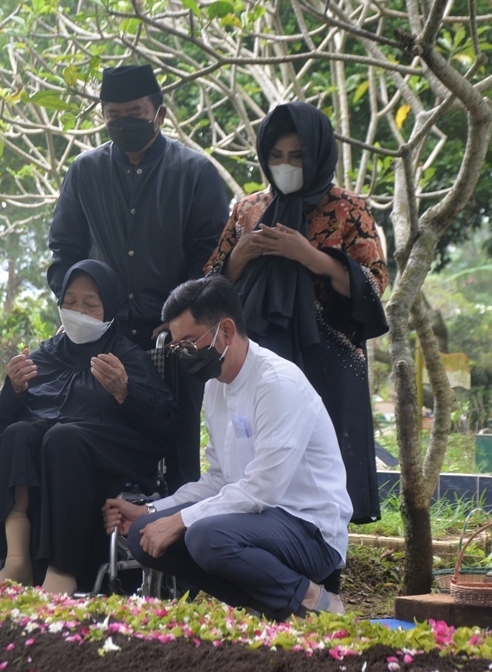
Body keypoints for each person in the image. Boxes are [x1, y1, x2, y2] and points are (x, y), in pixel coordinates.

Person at [102, 276, 352, 620]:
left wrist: (179, 519)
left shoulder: (276, 383)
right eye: (178, 346)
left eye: (190, 342)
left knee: (206, 535)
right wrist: (150, 511)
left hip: (309, 528)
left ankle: (318, 601)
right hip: (257, 521)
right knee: (144, 539)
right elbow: (218, 479)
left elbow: (263, 489)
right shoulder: (216, 388)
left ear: (227, 331)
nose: (184, 354)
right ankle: (264, 606)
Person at [203, 101, 389, 525]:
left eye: (297, 156)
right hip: (262, 350)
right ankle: (257, 552)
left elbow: (374, 283)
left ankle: (324, 571)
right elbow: (212, 282)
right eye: (276, 156)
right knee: (261, 456)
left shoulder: (348, 209)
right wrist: (241, 257)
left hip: (327, 354)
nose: (285, 166)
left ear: (318, 154)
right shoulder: (249, 209)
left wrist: (310, 256)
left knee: (324, 466)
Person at [47, 63, 230, 492]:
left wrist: (181, 317)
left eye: (135, 113)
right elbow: (63, 251)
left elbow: (210, 256)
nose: (123, 123)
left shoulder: (195, 172)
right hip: (104, 334)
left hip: (173, 336)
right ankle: (104, 532)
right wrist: (80, 308)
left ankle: (177, 539)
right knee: (98, 431)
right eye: (113, 115)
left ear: (160, 114)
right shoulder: (85, 171)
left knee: (178, 438)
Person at [0, 260, 177, 594]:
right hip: (50, 460)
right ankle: (17, 559)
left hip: (108, 459)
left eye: (90, 304)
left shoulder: (125, 356)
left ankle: (63, 570)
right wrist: (11, 393)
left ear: (109, 308)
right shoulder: (42, 357)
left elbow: (164, 424)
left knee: (63, 437)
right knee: (18, 434)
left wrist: (124, 391)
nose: (78, 311)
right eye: (70, 302)